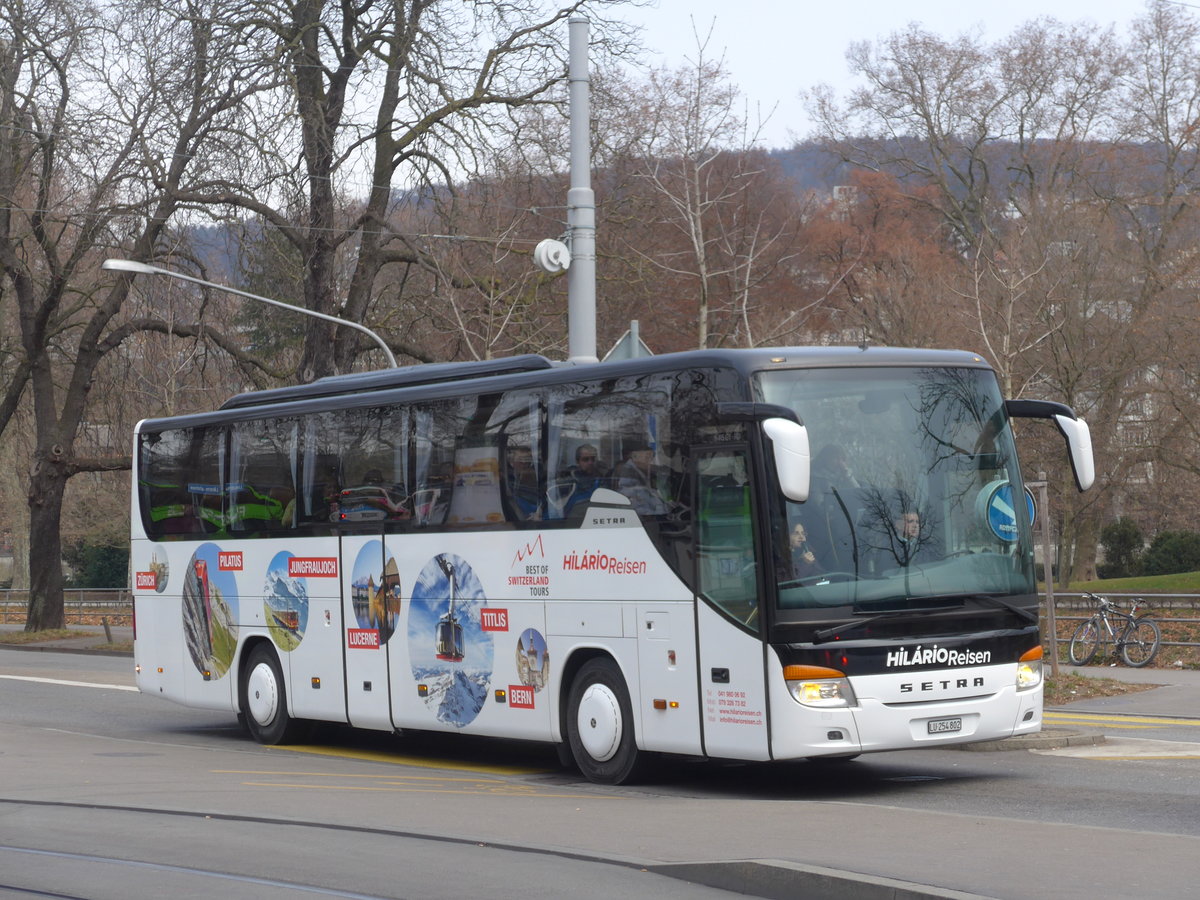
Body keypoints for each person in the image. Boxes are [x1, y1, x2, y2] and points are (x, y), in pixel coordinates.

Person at [613, 442, 669, 515]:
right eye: (647, 457)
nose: (651, 461)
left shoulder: (643, 471)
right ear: (635, 457)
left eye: (652, 457)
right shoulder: (629, 475)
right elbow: (638, 507)